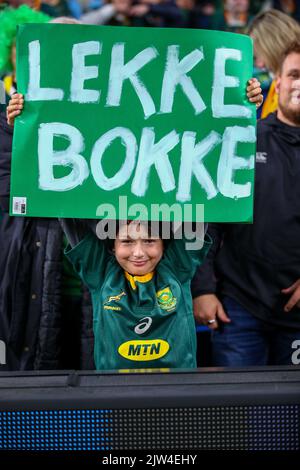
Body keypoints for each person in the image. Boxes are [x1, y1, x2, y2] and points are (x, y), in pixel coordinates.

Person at [6, 75, 262, 369]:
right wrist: (28, 130)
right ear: (111, 245)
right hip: (117, 402)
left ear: (166, 244)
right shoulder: (100, 274)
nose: (139, 252)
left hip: (178, 403)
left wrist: (241, 107)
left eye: (150, 241)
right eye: (127, 241)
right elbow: (66, 204)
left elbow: (201, 192)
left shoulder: (177, 268)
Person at [192, 41, 300, 367]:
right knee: (239, 414)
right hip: (237, 306)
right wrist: (202, 288)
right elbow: (208, 215)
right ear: (277, 82)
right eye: (294, 74)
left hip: (296, 312)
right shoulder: (244, 139)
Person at [248, 9, 300, 119]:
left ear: (275, 45)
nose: (259, 64)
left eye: (260, 54)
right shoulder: (275, 83)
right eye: (255, 57)